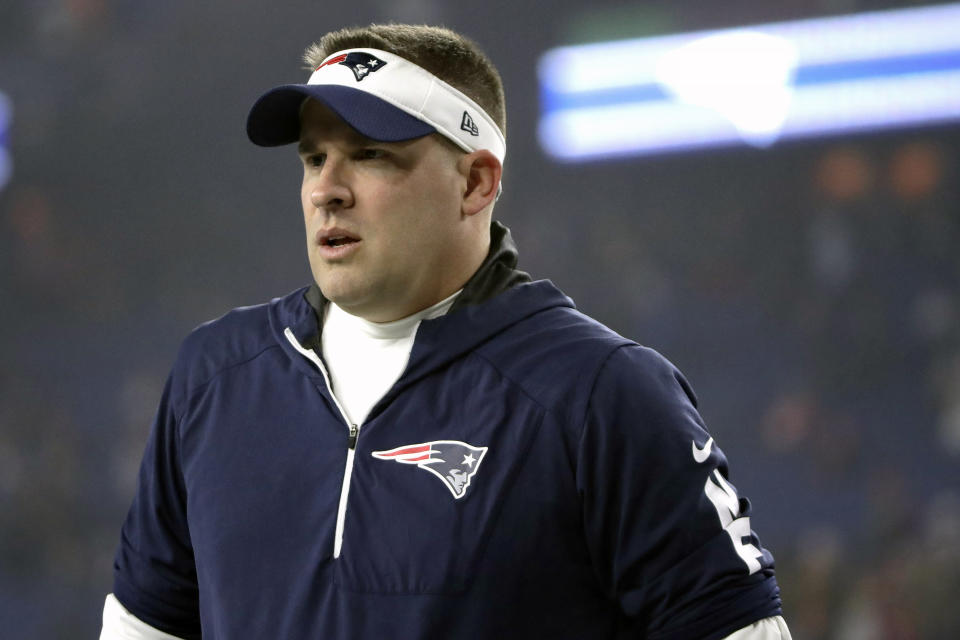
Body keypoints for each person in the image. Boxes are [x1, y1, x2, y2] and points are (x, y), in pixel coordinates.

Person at [101, 24, 791, 640]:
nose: (326, 189)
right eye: (314, 158)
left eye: (370, 154)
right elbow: (143, 626)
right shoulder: (216, 375)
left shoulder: (602, 394)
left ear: (476, 184)